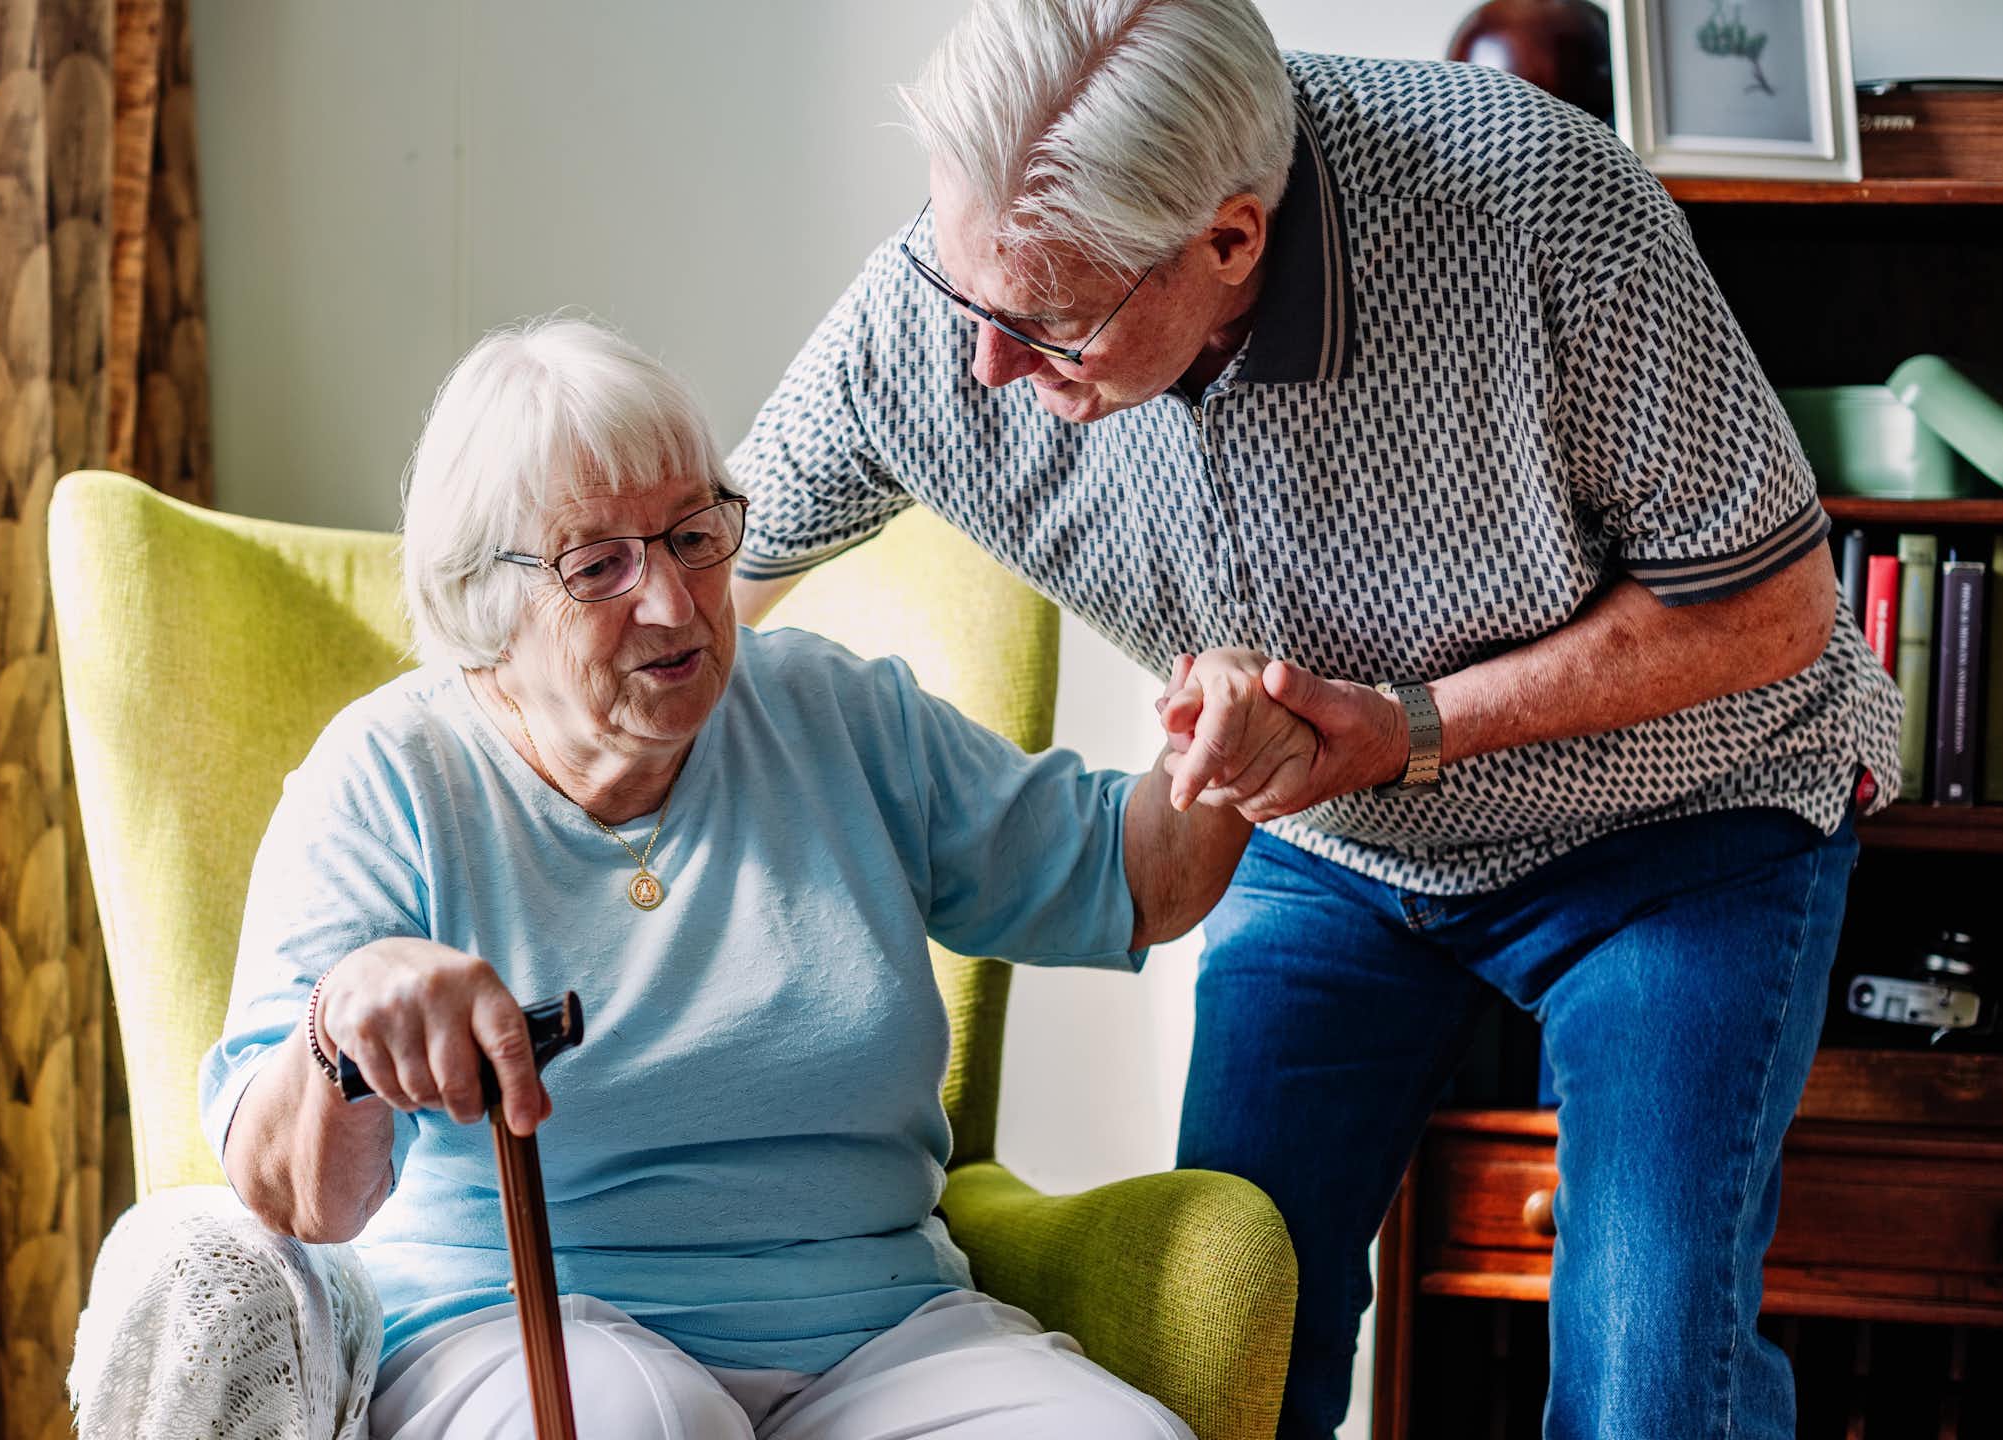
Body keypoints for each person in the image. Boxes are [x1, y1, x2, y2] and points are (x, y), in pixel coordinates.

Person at [724, 2, 1902, 1436]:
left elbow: (1772, 607)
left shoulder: (1540, 207)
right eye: (966, 291)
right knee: (1233, 1334)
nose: (983, 370)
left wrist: (1407, 725)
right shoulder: (958, 298)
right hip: (1338, 846)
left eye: (1050, 322)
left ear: (1230, 239)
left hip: (1682, 824)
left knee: (1650, 1372)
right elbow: (691, 574)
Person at [197, 317, 1246, 1440]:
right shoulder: (388, 778)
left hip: (878, 1335)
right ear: (479, 607)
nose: (675, 601)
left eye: (694, 534)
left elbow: (1128, 877)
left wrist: (1224, 747)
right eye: (597, 566)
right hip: (520, 1330)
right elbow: (294, 1199)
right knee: (641, 1422)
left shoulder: (835, 717)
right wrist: (342, 1030)